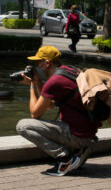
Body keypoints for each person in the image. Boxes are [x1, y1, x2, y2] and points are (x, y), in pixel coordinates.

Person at [16, 46, 100, 176]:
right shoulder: (69, 71)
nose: (36, 66)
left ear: (47, 63)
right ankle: (80, 150)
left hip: (77, 135)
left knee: (22, 126)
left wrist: (32, 85)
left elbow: (35, 113)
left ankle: (66, 158)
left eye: (38, 63)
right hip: (88, 132)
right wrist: (37, 82)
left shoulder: (54, 81)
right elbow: (49, 104)